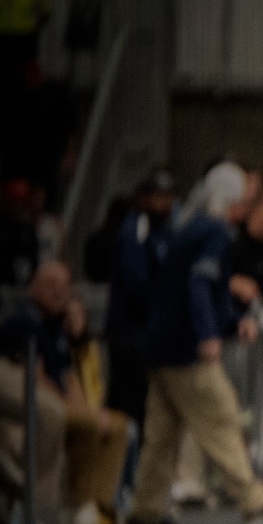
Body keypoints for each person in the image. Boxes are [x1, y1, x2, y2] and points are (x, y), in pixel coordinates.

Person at [126, 162, 263, 524]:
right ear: (232, 199)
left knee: (161, 433)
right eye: (245, 197)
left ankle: (147, 507)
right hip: (186, 347)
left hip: (160, 342)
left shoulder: (186, 226)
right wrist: (208, 334)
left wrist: (231, 322)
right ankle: (254, 499)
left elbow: (194, 286)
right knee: (221, 418)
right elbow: (200, 286)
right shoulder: (216, 232)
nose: (249, 204)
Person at [0, 260, 126, 524]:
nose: (58, 292)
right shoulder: (25, 322)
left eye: (64, 287)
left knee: (116, 425)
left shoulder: (59, 329)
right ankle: (38, 513)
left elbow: (71, 379)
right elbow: (37, 378)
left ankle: (92, 507)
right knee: (53, 414)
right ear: (33, 288)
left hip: (51, 396)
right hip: (18, 384)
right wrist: (76, 411)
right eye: (50, 285)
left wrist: (90, 412)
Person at [102, 171, 172, 430]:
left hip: (145, 334)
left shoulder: (162, 230)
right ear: (143, 198)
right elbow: (137, 285)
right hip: (128, 334)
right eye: (158, 196)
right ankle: (122, 466)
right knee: (127, 406)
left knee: (142, 408)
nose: (165, 203)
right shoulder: (135, 230)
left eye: (167, 196)